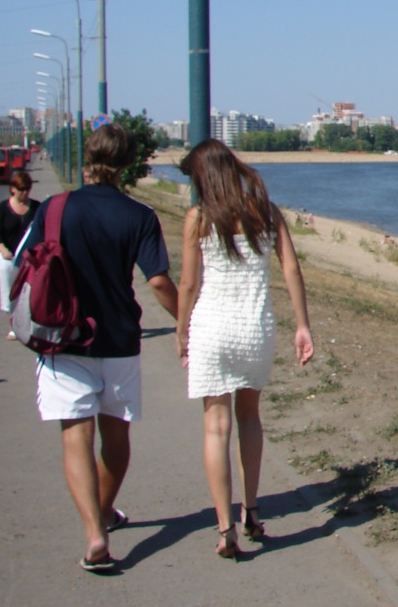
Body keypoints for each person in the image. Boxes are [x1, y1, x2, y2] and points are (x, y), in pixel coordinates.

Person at [15, 124, 179, 572]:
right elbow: (158, 281)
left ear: (88, 159)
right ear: (128, 163)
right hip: (119, 340)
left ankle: (94, 533)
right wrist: (186, 320)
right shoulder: (139, 215)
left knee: (76, 437)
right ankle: (104, 511)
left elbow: (25, 262)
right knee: (117, 437)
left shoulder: (54, 208)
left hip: (62, 337)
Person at [176, 139, 314, 560]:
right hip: (255, 328)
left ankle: (225, 529)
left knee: (215, 427)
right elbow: (291, 268)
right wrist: (302, 325)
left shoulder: (199, 218)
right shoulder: (265, 212)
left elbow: (188, 284)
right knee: (249, 416)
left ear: (204, 177)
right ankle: (251, 509)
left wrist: (181, 330)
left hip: (211, 328)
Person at [0, 168, 40, 338]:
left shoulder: (36, 207)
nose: (25, 193)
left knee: (29, 292)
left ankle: (29, 325)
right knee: (10, 291)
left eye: (27, 189)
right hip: (9, 258)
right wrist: (2, 249)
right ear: (13, 189)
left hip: (29, 258)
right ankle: (13, 325)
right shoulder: (3, 208)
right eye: (21, 190)